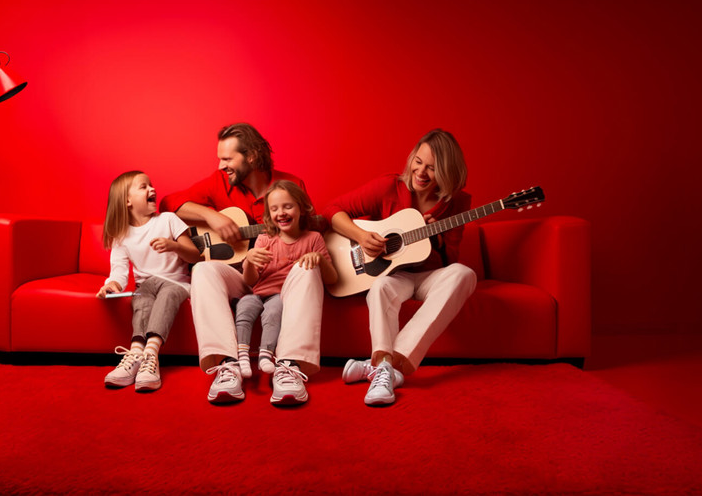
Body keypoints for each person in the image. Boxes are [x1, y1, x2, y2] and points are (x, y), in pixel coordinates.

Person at [159, 122, 327, 406]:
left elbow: (307, 229)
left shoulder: (291, 185)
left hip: (282, 281)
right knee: (203, 269)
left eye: (227, 159)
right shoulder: (218, 182)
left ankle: (290, 367)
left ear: (250, 156)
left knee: (309, 269)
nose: (221, 165)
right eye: (220, 159)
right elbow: (169, 202)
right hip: (242, 278)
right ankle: (227, 365)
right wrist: (212, 217)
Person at [323, 129, 478, 406]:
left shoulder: (458, 203)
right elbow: (332, 210)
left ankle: (385, 366)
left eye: (432, 168)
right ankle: (384, 367)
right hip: (394, 275)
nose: (421, 172)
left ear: (447, 171)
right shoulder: (388, 186)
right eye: (418, 162)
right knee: (380, 286)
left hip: (430, 275)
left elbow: (450, 259)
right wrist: (361, 236)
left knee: (464, 274)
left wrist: (439, 239)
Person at [98, 170, 201, 392]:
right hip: (146, 287)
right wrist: (112, 285)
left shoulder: (168, 219)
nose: (152, 189)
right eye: (144, 187)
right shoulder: (121, 235)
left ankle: (151, 355)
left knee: (167, 292)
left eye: (151, 185)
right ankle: (136, 352)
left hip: (177, 283)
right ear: (127, 201)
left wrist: (174, 246)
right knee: (142, 298)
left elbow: (195, 255)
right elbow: (119, 272)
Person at [234, 181, 337, 380]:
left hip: (283, 297)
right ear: (269, 215)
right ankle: (242, 356)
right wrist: (248, 261)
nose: (281, 212)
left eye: (287, 206)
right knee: (244, 307)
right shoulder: (265, 240)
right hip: (259, 293)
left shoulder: (313, 238)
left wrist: (320, 260)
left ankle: (266, 354)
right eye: (274, 209)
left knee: (274, 311)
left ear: (302, 208)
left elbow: (332, 278)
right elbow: (251, 281)